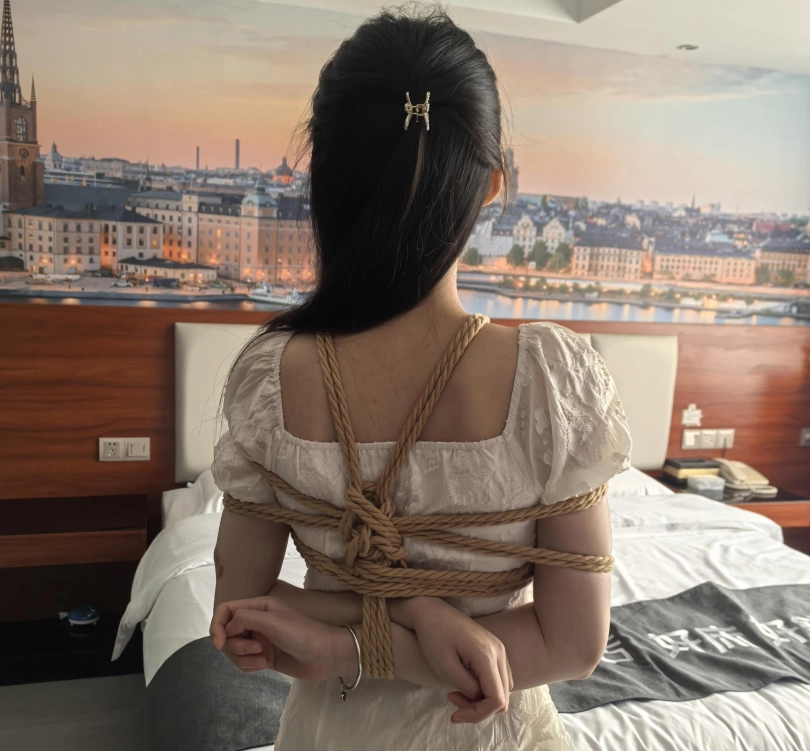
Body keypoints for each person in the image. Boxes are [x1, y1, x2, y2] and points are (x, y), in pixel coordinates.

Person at [209, 7, 631, 750]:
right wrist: (423, 612)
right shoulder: (550, 385)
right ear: (492, 185)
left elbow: (242, 613)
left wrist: (354, 642)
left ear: (324, 174)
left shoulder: (270, 380)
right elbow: (571, 645)